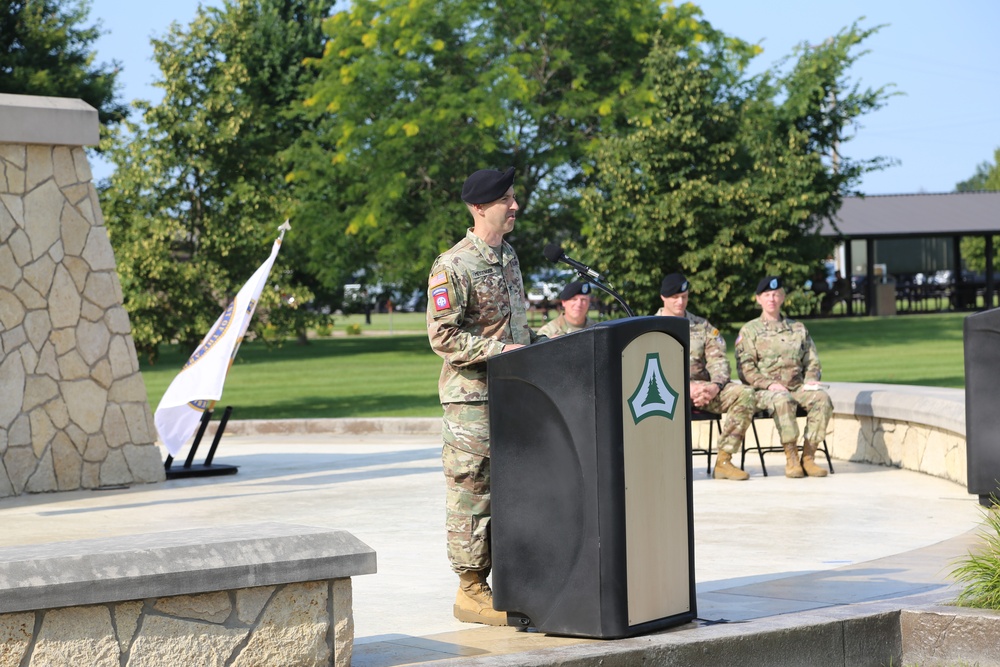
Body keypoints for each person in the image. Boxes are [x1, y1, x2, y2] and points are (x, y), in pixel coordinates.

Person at [426, 166, 545, 626]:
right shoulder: (453, 265)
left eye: (513, 197)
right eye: (506, 200)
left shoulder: (509, 258)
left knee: (513, 490)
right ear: (480, 208)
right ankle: (471, 590)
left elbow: (514, 327)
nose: (515, 206)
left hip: (515, 396)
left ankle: (514, 578)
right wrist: (501, 351)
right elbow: (443, 337)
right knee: (472, 491)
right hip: (472, 402)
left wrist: (541, 343)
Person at [655, 273, 756, 480]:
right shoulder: (650, 328)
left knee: (744, 393)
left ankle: (724, 461)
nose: (680, 301)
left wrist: (714, 387)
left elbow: (719, 361)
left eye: (684, 296)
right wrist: (685, 387)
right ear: (663, 298)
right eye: (675, 297)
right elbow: (649, 371)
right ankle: (662, 465)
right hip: (665, 393)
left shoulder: (703, 327)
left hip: (704, 390)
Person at [735, 276, 832, 478]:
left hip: (797, 388)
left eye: (776, 294)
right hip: (764, 392)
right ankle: (792, 457)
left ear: (783, 297)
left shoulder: (798, 328)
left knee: (822, 399)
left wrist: (811, 380)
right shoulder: (750, 330)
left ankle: (809, 457)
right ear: (758, 299)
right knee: (782, 399)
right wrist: (769, 384)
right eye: (767, 295)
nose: (772, 299)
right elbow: (746, 369)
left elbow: (812, 360)